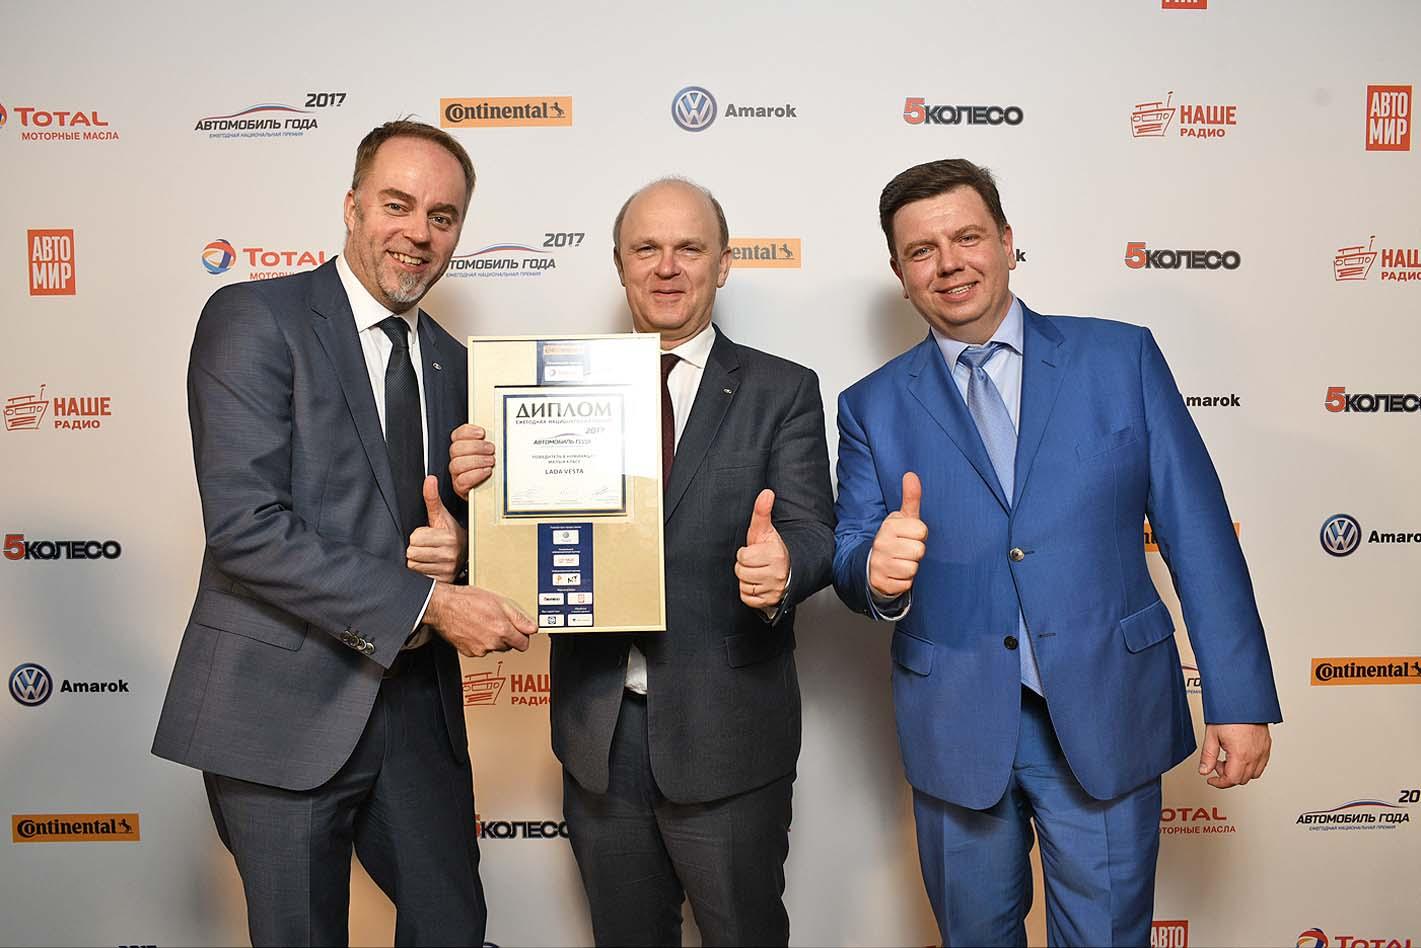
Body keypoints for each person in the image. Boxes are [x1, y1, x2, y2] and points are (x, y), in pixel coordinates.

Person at [831, 158, 1281, 947]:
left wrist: (1237, 698)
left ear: (1007, 242)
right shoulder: (869, 405)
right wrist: (873, 572)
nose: (948, 264)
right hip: (954, 728)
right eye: (921, 250)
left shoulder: (1120, 359)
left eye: (967, 237)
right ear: (900, 275)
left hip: (1106, 713)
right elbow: (850, 555)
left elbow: (1198, 534)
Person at [152, 120, 536, 948]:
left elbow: (436, 531)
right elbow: (246, 530)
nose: (418, 232)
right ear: (353, 206)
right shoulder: (256, 317)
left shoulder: (460, 364)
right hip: (281, 706)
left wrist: (462, 545)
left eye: (442, 216)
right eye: (397, 204)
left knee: (452, 927)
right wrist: (431, 603)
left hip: (415, 708)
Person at [450, 177, 835, 946]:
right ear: (619, 264)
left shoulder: (781, 389)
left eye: (688, 248)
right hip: (599, 736)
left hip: (728, 733)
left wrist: (785, 567)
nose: (666, 267)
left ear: (722, 263)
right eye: (645, 248)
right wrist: (476, 493)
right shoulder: (543, 385)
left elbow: (813, 530)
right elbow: (516, 541)